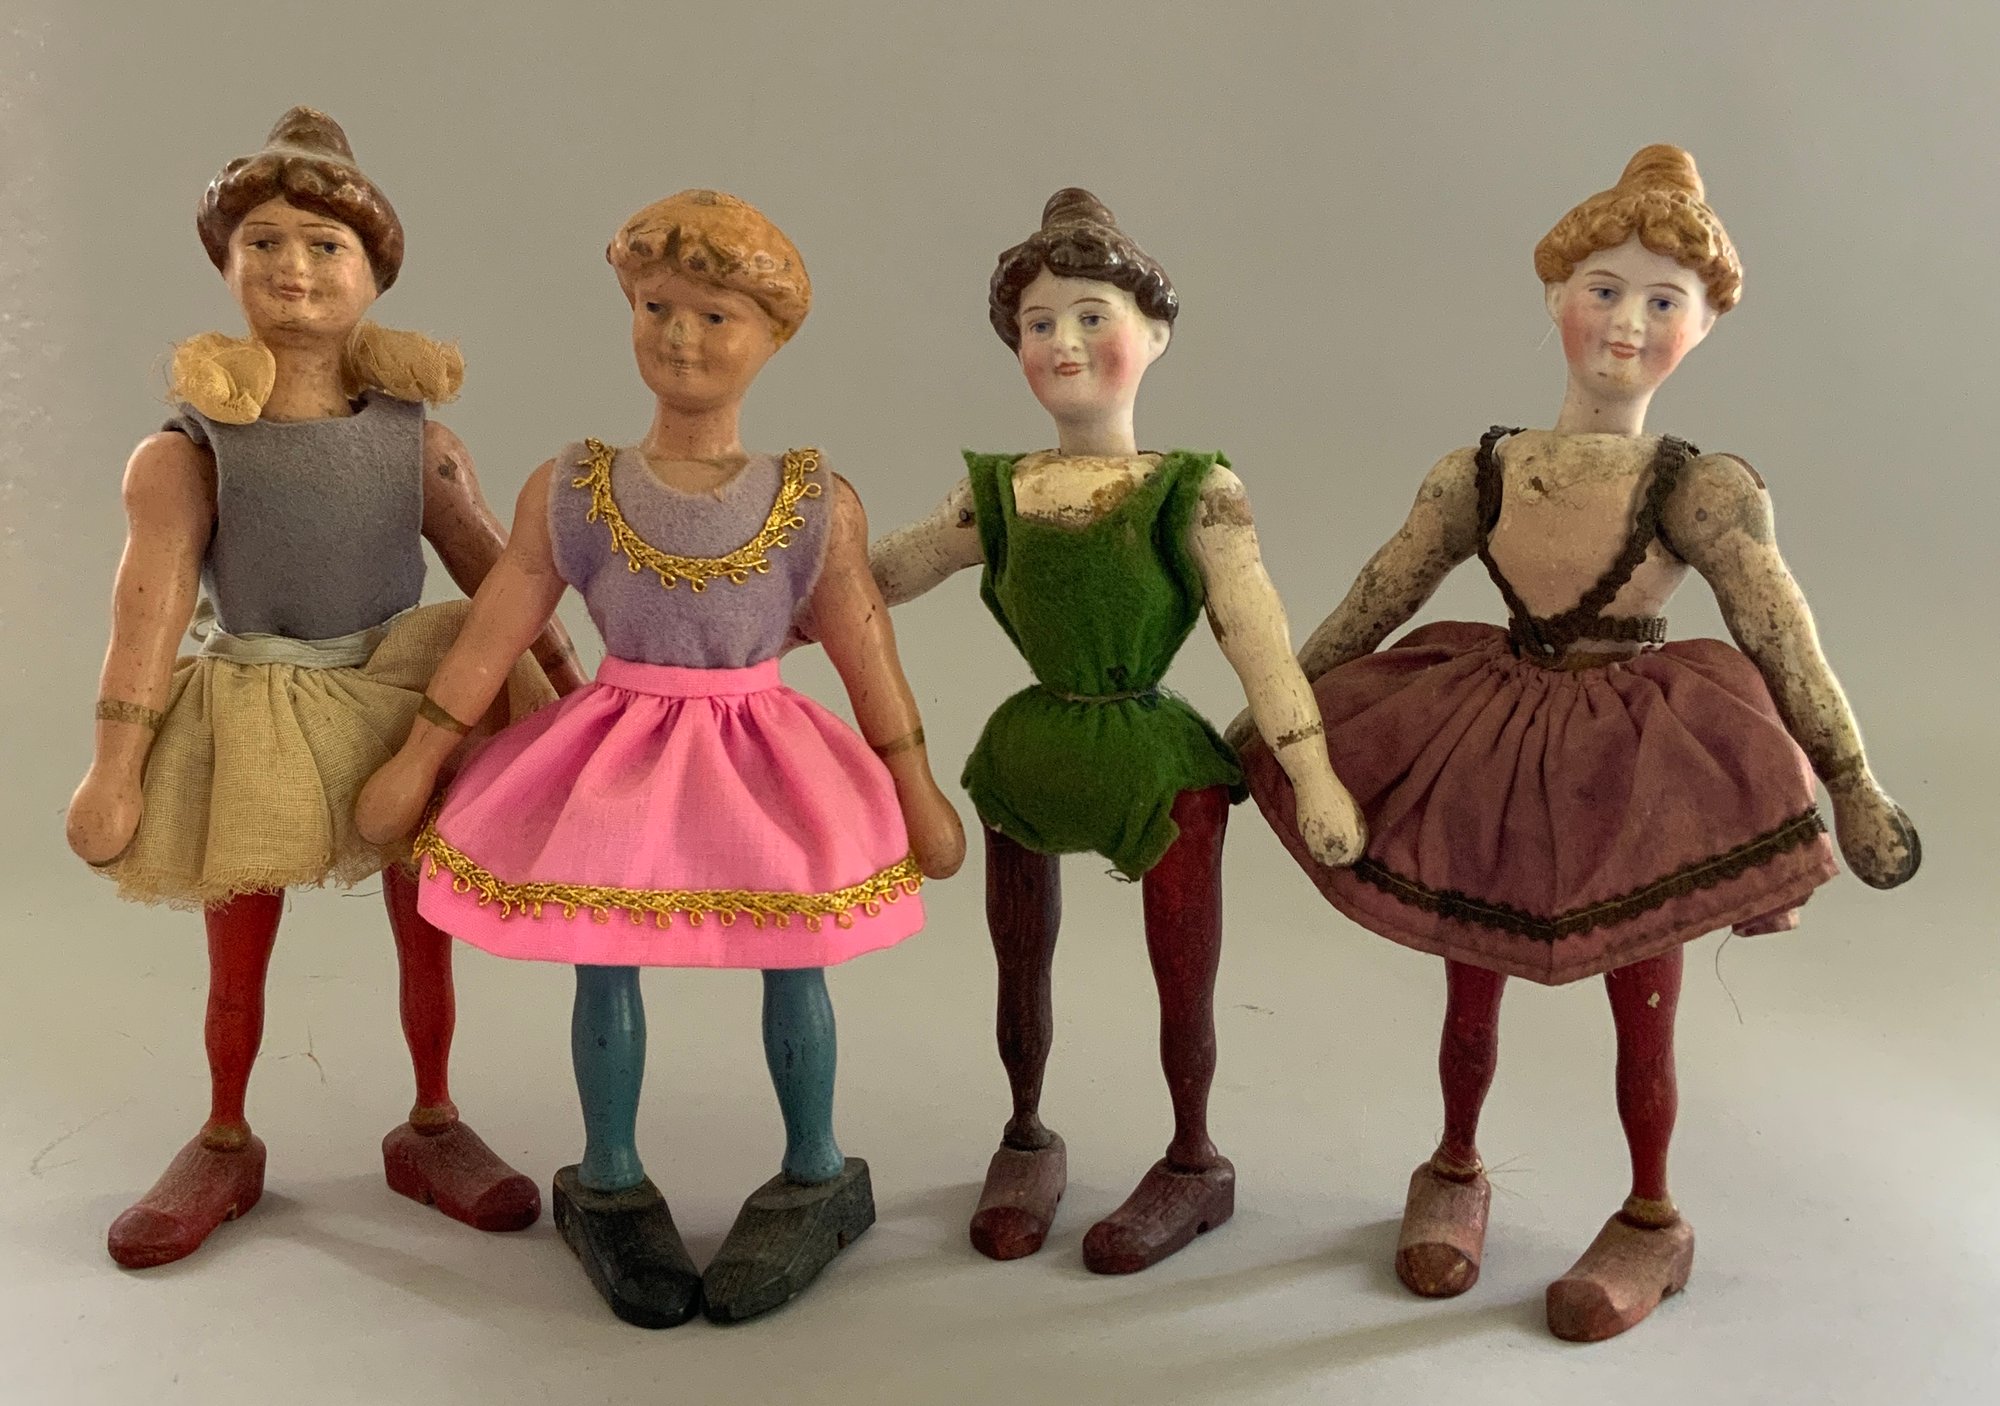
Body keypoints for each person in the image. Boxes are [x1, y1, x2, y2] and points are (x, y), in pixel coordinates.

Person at [1234, 145, 1920, 1341]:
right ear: (1553, 293)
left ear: (1702, 327)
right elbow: (1376, 595)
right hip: (1488, 732)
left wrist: (1852, 781)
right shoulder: (1481, 472)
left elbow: (1779, 633)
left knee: (1640, 999)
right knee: (1467, 969)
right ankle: (1454, 1161)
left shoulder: (1698, 487)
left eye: (1662, 301)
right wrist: (1277, 709)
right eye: (1601, 289)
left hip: (1634, 754)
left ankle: (1650, 1212)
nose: (1624, 324)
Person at [356, 188, 965, 1328]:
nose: (680, 337)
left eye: (714, 316)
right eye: (656, 308)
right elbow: (496, 628)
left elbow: (864, 650)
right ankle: (611, 1171)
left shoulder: (812, 502)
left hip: (762, 754)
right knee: (602, 950)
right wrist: (418, 755)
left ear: (771, 339)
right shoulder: (574, 488)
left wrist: (916, 785)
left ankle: (815, 1166)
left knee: (796, 954)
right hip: (616, 753)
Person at [65, 107, 580, 1270]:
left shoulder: (416, 440)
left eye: (324, 245)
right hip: (258, 700)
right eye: (263, 241)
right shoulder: (189, 448)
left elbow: (503, 576)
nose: (292, 266)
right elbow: (147, 610)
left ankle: (432, 1118)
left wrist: (567, 681)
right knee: (238, 933)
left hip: (402, 691)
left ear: (374, 271)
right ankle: (224, 1132)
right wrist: (114, 766)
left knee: (426, 922)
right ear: (226, 262)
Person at [866, 188, 1364, 1275]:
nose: (1064, 343)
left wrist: (1313, 773)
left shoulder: (1194, 491)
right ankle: (1024, 1132)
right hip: (1032, 744)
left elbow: (1257, 638)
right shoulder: (996, 493)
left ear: (1155, 333)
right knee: (1017, 956)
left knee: (1181, 969)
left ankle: (1192, 1153)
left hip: (1154, 751)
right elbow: (882, 575)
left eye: (1092, 316)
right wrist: (760, 581)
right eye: (1038, 323)